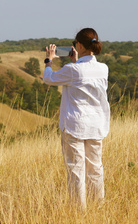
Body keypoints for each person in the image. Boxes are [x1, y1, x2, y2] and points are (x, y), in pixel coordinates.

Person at [42, 28, 110, 210]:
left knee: (76, 171)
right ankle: (99, 209)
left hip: (75, 126)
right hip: (96, 125)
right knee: (95, 169)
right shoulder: (103, 69)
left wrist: (49, 60)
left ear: (79, 45)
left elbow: (49, 79)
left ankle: (79, 214)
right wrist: (76, 60)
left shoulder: (73, 70)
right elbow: (83, 77)